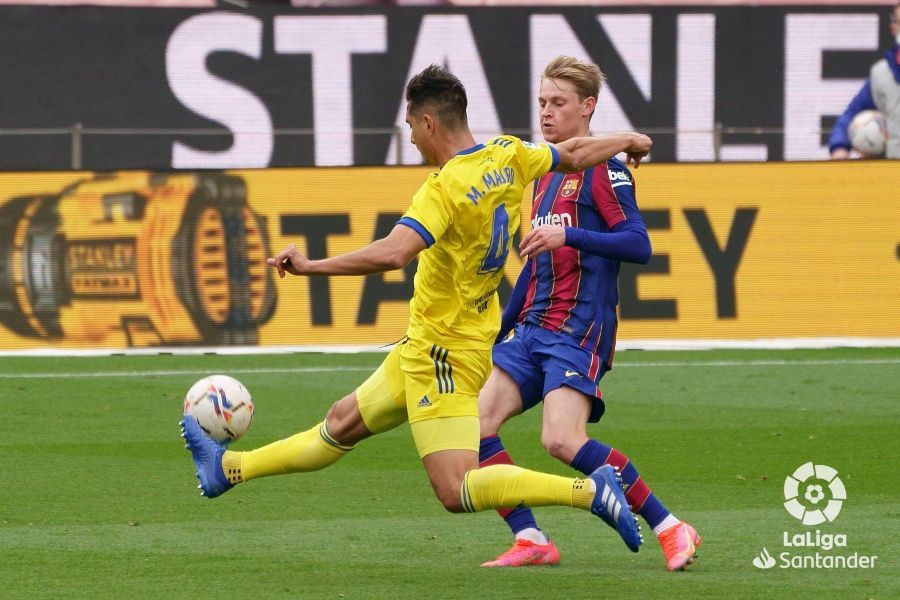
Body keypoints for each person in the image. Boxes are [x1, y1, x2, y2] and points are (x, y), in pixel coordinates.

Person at [180, 64, 654, 557]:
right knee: (341, 421)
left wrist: (308, 266)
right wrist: (629, 139)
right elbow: (576, 153)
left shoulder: (443, 188)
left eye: (410, 128)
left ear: (428, 123)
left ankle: (589, 491)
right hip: (435, 341)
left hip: (442, 355)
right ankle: (228, 469)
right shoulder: (509, 154)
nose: (411, 140)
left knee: (457, 489)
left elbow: (393, 253)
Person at [475, 56, 701, 572]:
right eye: (542, 104)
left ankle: (670, 526)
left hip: (579, 328)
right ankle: (531, 538)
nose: (547, 114)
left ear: (587, 107)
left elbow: (638, 244)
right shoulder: (547, 176)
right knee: (475, 426)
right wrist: (499, 331)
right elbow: (533, 267)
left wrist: (568, 233)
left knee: (560, 439)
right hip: (532, 327)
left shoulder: (607, 168)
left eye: (558, 103)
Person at [828, 2, 900, 159]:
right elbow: (851, 114)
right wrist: (839, 146)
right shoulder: (882, 73)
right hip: (894, 172)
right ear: (893, 28)